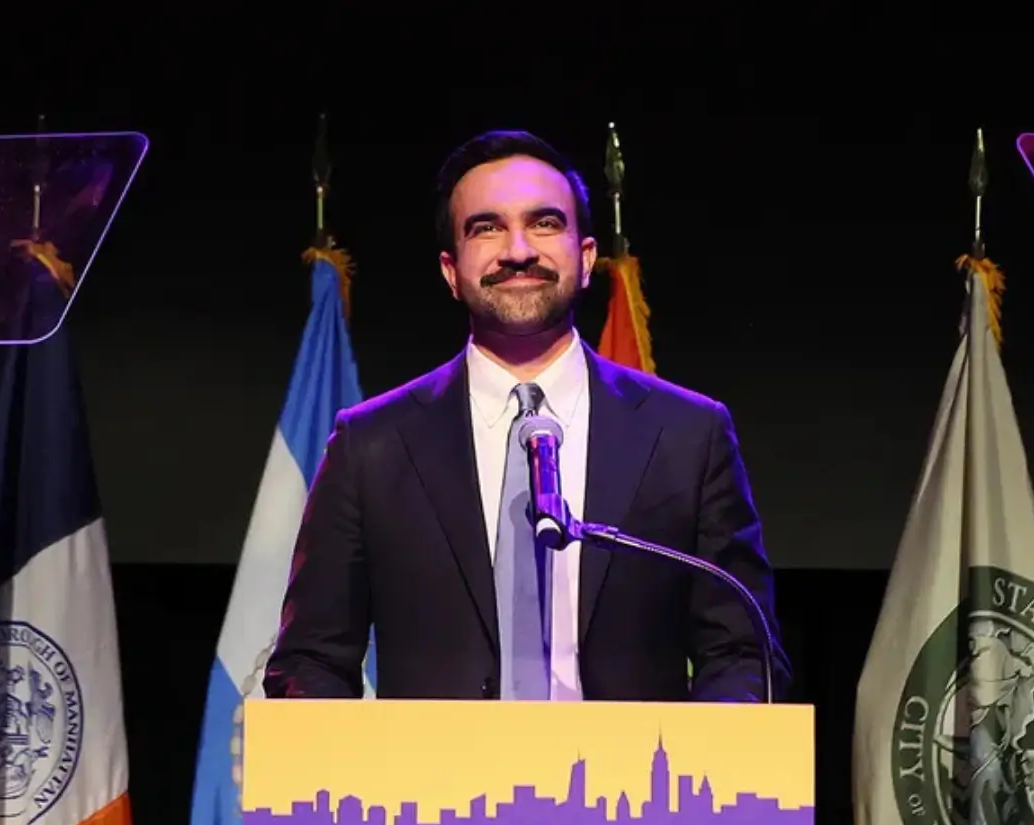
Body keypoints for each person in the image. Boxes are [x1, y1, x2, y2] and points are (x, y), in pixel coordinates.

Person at [263, 129, 789, 703]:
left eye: (544, 223)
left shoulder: (689, 436)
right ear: (450, 271)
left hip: (631, 788)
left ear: (585, 258)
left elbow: (740, 653)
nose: (517, 250)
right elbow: (310, 662)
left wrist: (701, 774)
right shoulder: (370, 445)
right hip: (429, 788)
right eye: (486, 227)